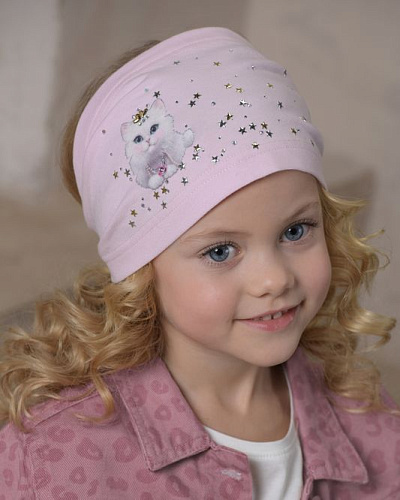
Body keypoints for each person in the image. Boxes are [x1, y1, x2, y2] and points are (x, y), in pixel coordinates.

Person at [0, 27, 399, 500]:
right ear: (141, 272)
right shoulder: (54, 459)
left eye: (296, 231)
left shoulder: (369, 423)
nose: (274, 279)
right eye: (220, 251)